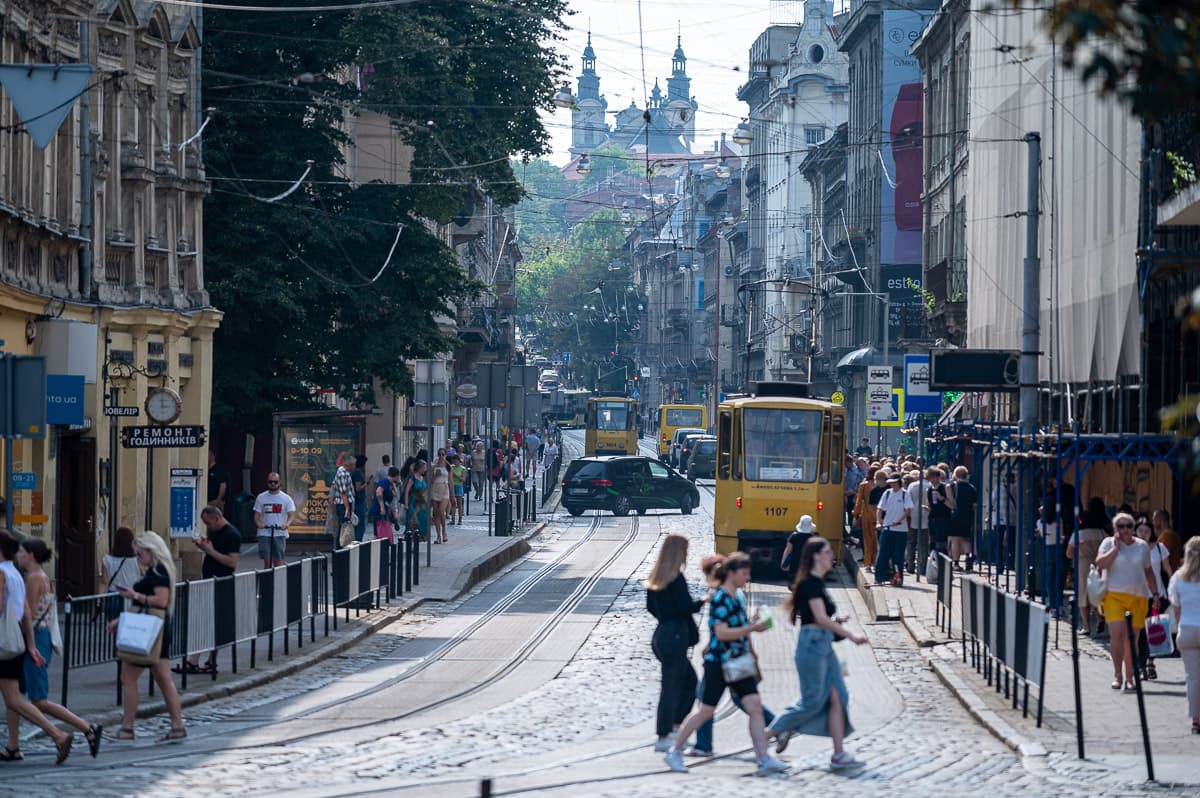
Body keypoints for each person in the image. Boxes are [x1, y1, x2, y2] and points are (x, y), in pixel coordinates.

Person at [664, 552, 788, 776]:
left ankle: (764, 759)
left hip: (739, 663)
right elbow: (721, 633)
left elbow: (735, 626)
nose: (748, 577)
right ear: (731, 573)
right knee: (704, 712)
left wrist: (753, 622)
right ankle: (675, 751)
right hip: (719, 664)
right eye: (744, 573)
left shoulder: (735, 596)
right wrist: (752, 628)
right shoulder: (720, 597)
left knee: (755, 708)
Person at [767, 537, 868, 769]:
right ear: (816, 556)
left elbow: (820, 617)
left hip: (823, 644)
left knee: (838, 697)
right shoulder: (810, 584)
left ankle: (838, 754)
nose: (831, 556)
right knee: (812, 701)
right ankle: (766, 738)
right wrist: (851, 635)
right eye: (827, 552)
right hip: (813, 644)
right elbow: (820, 619)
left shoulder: (817, 583)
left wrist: (836, 622)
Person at [0, 535, 85, 763]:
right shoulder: (18, 575)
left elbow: (7, 609)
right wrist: (30, 644)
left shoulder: (11, 575)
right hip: (20, 641)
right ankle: (15, 745)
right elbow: (26, 612)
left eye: (22, 553)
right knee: (14, 698)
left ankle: (62, 734)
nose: (19, 556)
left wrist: (32, 645)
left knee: (21, 699)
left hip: (8, 641)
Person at [106, 532, 186, 742]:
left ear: (151, 550)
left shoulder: (158, 572)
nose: (137, 556)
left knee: (129, 678)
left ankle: (127, 727)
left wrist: (134, 595)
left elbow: (160, 600)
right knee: (163, 678)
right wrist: (122, 618)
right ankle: (177, 725)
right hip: (156, 627)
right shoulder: (160, 570)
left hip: (149, 631)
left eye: (139, 553)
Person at [645, 533, 703, 752]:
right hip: (675, 635)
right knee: (672, 686)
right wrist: (701, 602)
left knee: (687, 682)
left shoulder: (656, 577)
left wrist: (664, 617)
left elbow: (651, 607)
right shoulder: (675, 578)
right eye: (685, 551)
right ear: (679, 552)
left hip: (661, 634)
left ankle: (674, 728)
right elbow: (684, 606)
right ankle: (664, 735)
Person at [1095, 512, 1159, 691]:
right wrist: (1115, 549)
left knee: (1131, 639)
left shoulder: (1141, 546)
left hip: (1138, 597)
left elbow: (1148, 572)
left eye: (1128, 526)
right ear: (1115, 529)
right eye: (1120, 527)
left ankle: (1130, 676)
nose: (1124, 530)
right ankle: (1117, 674)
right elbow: (1100, 564)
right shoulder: (1107, 543)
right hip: (1113, 596)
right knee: (1116, 634)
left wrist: (1155, 594)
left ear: (1133, 528)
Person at [174, 507, 242, 675]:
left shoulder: (232, 535)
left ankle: (206, 662)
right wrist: (205, 545)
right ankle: (196, 661)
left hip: (221, 584)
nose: (208, 527)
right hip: (210, 581)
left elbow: (232, 562)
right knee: (205, 622)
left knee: (213, 623)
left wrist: (209, 551)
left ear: (217, 518)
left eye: (208, 523)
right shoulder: (216, 532)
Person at [1135, 517, 1174, 681]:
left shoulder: (1159, 548)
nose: (1144, 534)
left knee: (1154, 630)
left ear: (1152, 532)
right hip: (1138, 595)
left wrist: (1175, 586)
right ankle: (1142, 665)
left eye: (1147, 531)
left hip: (1157, 594)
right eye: (1140, 531)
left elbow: (1167, 569)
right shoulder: (1133, 548)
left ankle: (1150, 662)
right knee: (1141, 632)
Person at [1167, 537, 1200, 735]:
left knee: (1192, 678)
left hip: (1187, 629)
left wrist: (1180, 626)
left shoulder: (1178, 577)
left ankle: (1196, 719)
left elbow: (1176, 608)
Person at [1067, 498, 1110, 636]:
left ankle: (1086, 626)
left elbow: (1069, 553)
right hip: (1099, 564)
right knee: (1097, 593)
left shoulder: (1078, 534)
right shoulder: (1102, 533)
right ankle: (1099, 619)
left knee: (1082, 596)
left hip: (1082, 564)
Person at [875, 474, 913, 585]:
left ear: (899, 482)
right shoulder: (887, 493)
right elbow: (880, 509)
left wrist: (898, 520)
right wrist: (878, 521)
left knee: (898, 555)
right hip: (887, 528)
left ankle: (897, 578)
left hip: (900, 530)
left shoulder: (905, 494)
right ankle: (879, 577)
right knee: (883, 553)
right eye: (891, 482)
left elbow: (908, 510)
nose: (892, 484)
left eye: (894, 482)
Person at [253, 473, 295, 568]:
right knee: (267, 561)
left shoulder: (286, 498)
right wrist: (259, 523)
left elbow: (291, 515)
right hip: (265, 533)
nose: (273, 484)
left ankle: (277, 581)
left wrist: (287, 524)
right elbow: (256, 516)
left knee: (278, 561)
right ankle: (267, 580)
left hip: (279, 533)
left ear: (279, 482)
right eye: (270, 482)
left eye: (275, 482)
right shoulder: (261, 497)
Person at [99, 526, 139, 619]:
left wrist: (99, 600)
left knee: (115, 628)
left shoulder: (107, 559)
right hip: (131, 597)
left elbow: (104, 582)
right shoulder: (137, 560)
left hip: (113, 597)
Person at [949, 466, 977, 572]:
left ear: (955, 475)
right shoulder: (972, 488)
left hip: (954, 517)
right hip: (967, 516)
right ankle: (968, 559)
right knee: (966, 539)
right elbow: (974, 505)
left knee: (955, 540)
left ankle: (956, 563)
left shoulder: (952, 486)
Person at [857, 470, 887, 570]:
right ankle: (875, 561)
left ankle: (868, 562)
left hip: (867, 515)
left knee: (867, 540)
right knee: (876, 541)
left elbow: (859, 501)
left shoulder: (863, 485)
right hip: (880, 517)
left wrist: (855, 513)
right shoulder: (884, 488)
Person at [988, 473, 1016, 570]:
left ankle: (999, 565)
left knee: (998, 543)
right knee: (1012, 542)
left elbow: (992, 502)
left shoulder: (998, 488)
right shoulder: (1016, 488)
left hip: (998, 518)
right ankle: (1011, 564)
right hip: (1012, 519)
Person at [906, 469, 930, 579]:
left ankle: (910, 565)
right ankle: (921, 567)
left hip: (912, 516)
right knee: (923, 544)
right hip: (926, 517)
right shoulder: (930, 486)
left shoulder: (912, 486)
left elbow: (908, 500)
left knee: (911, 542)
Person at [781, 515, 816, 582]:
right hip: (807, 564)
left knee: (794, 583)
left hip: (795, 563)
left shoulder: (794, 536)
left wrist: (784, 563)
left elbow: (788, 550)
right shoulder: (813, 538)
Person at [371, 467, 401, 542]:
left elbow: (395, 494)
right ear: (396, 476)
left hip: (384, 509)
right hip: (378, 509)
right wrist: (382, 507)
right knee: (379, 529)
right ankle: (378, 545)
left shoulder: (390, 483)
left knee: (382, 528)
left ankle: (381, 543)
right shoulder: (385, 481)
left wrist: (393, 485)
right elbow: (379, 492)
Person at [331, 456, 355, 547]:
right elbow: (343, 492)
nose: (354, 467)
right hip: (343, 504)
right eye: (353, 465)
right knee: (344, 527)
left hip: (343, 503)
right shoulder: (343, 474)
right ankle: (341, 547)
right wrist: (347, 508)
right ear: (350, 465)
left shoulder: (342, 471)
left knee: (344, 526)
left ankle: (342, 546)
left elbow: (335, 486)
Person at [404, 460, 430, 541]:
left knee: (423, 519)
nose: (425, 469)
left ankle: (421, 536)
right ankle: (411, 537)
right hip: (413, 502)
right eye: (424, 468)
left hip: (422, 503)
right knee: (412, 519)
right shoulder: (413, 478)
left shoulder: (423, 478)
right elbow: (407, 491)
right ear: (419, 468)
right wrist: (406, 503)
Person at [429, 449, 451, 544]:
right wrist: (435, 475)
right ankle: (438, 536)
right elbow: (430, 480)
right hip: (435, 489)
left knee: (442, 511)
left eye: (443, 454)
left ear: (445, 455)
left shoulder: (448, 466)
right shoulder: (434, 466)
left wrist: (453, 495)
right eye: (439, 454)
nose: (441, 456)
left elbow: (450, 481)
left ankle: (444, 531)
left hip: (445, 489)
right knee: (436, 514)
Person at [351, 455, 369, 542]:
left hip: (358, 501)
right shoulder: (358, 473)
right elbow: (358, 488)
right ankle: (358, 542)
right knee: (360, 524)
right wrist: (366, 484)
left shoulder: (355, 472)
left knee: (358, 524)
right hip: (359, 502)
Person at [449, 454, 467, 525]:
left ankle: (460, 519)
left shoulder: (462, 468)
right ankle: (453, 519)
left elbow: (463, 479)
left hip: (459, 486)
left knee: (459, 503)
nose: (455, 463)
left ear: (459, 461)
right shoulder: (451, 467)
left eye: (456, 461)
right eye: (453, 461)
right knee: (453, 503)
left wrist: (455, 474)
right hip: (452, 486)